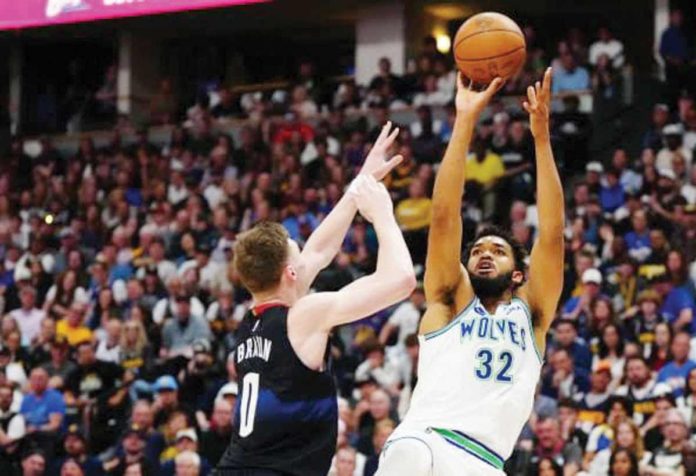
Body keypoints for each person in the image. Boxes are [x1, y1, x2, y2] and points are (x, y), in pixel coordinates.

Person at [377, 68, 564, 476]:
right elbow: (444, 217)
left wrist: (541, 137)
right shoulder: (449, 299)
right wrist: (464, 121)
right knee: (407, 455)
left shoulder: (532, 315)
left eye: (498, 251)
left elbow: (551, 234)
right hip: (426, 439)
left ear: (519, 275)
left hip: (486, 462)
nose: (483, 255)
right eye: (477, 250)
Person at [215, 123, 416, 475]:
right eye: (297, 254)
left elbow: (319, 250)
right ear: (291, 273)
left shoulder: (250, 323)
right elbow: (400, 279)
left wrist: (359, 186)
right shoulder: (304, 315)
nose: (304, 255)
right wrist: (382, 212)